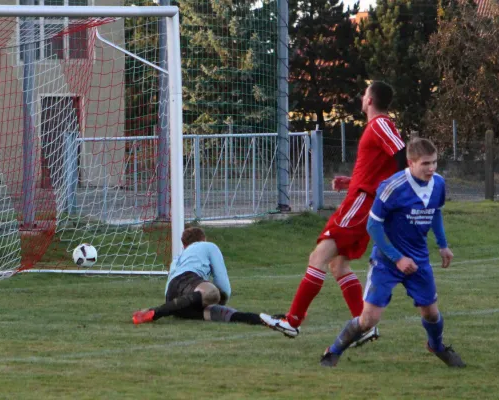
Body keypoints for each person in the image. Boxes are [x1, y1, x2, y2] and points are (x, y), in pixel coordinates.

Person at [260, 81, 406, 344]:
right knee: (338, 264)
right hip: (362, 199)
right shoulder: (376, 127)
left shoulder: (381, 123)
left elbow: (402, 154)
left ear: (370, 100)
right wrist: (352, 181)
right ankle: (364, 325)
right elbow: (380, 168)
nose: (362, 98)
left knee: (318, 256)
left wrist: (394, 192)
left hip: (361, 204)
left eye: (365, 94)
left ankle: (292, 321)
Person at [319, 138, 466, 368]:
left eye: (435, 162)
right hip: (387, 261)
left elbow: (435, 212)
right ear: (410, 162)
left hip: (418, 260)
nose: (432, 168)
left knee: (431, 314)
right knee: (369, 320)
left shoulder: (438, 184)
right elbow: (373, 226)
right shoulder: (392, 186)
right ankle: (333, 352)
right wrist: (397, 258)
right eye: (426, 163)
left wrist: (443, 244)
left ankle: (437, 346)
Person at [132, 227, 264, 326]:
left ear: (184, 245)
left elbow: (168, 290)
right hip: (187, 281)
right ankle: (156, 312)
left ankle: (270, 319)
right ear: (204, 239)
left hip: (174, 302)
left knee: (223, 315)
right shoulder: (208, 246)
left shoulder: (177, 259)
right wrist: (219, 299)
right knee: (213, 293)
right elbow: (222, 281)